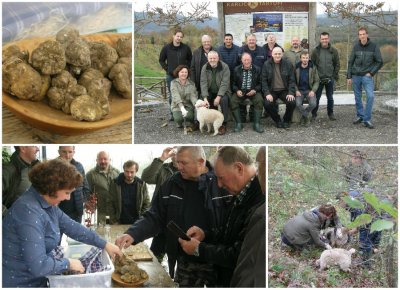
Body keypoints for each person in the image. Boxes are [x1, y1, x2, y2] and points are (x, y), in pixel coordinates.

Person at [115, 146, 231, 287]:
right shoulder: (172, 183)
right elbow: (154, 215)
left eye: (183, 163)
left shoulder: (221, 183)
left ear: (200, 162)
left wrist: (208, 236)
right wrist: (133, 234)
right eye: (177, 162)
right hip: (185, 260)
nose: (179, 166)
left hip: (217, 259)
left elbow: (231, 223)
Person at [2, 159, 123, 287]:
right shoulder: (28, 212)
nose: (68, 198)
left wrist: (105, 244)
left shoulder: (47, 204)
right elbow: (38, 265)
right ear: (51, 187)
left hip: (40, 278)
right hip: (21, 282)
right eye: (67, 192)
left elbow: (73, 227)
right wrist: (68, 263)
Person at [178, 146, 265, 287]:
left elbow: (239, 254)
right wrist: (206, 235)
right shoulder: (241, 193)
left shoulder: (259, 201)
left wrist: (199, 249)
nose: (219, 184)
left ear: (239, 168)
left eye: (221, 178)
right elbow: (230, 233)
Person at [230, 146, 266, 287]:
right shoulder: (238, 194)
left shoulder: (260, 211)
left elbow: (247, 267)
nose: (257, 171)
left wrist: (200, 249)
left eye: (259, 164)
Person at [141, 147, 179, 263]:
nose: (176, 155)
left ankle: (175, 279)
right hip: (162, 220)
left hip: (180, 224)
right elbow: (146, 177)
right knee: (155, 257)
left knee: (180, 260)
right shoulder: (163, 168)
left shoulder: (191, 171)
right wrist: (161, 159)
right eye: (175, 152)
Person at [347, 27, 383, 129]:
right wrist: (349, 76)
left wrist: (371, 73)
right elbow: (350, 62)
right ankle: (360, 116)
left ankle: (367, 119)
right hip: (356, 76)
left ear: (367, 35)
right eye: (360, 34)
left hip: (367, 76)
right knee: (357, 97)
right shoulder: (356, 47)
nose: (362, 36)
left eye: (364, 34)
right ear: (359, 36)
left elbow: (379, 61)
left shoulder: (374, 47)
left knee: (370, 96)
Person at [159, 29, 193, 120]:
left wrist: (187, 69)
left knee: (185, 94)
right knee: (172, 95)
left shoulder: (186, 48)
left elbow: (190, 59)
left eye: (181, 37)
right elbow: (161, 60)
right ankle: (173, 113)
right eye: (177, 36)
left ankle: (186, 111)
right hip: (171, 76)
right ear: (173, 36)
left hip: (184, 75)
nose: (179, 38)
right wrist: (167, 69)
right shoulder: (166, 48)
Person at [262, 47, 296, 128]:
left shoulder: (288, 64)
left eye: (279, 53)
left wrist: (291, 93)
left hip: (284, 90)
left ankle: (286, 120)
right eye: (275, 54)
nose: (277, 55)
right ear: (272, 54)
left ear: (282, 54)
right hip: (272, 90)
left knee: (292, 102)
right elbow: (263, 81)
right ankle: (277, 120)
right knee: (267, 104)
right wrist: (267, 93)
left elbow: (292, 80)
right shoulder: (266, 64)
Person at [231, 52, 264, 133]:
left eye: (248, 59)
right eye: (244, 60)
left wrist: (255, 90)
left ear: (251, 60)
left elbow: (261, 83)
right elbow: (233, 84)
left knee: (259, 100)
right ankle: (239, 123)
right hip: (241, 92)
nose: (246, 61)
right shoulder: (236, 69)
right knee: (233, 101)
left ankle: (256, 124)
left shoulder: (257, 69)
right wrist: (237, 90)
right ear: (241, 60)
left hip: (253, 91)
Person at [311, 32, 340, 121]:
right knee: (317, 97)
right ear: (320, 39)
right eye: (323, 39)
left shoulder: (334, 51)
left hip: (330, 78)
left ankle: (330, 113)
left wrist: (333, 76)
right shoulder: (316, 51)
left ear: (329, 39)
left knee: (330, 97)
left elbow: (337, 64)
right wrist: (316, 77)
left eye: (326, 38)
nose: (324, 40)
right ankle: (314, 114)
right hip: (319, 79)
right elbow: (312, 64)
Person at [200, 50, 231, 135]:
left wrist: (219, 96)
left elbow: (225, 83)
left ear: (218, 58)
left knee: (224, 100)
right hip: (210, 91)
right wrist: (205, 98)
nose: (212, 60)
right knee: (202, 100)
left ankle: (223, 124)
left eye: (214, 58)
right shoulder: (204, 67)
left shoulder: (225, 67)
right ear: (208, 59)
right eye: (210, 58)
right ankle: (205, 121)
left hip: (223, 91)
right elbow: (203, 83)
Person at [2, 146, 40, 216]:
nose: (38, 149)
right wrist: (10, 218)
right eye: (34, 146)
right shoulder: (6, 171)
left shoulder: (37, 169)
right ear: (23, 148)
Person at [109, 160, 150, 225]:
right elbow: (110, 203)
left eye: (132, 172)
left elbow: (146, 203)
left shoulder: (142, 184)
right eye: (127, 171)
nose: (129, 175)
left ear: (136, 171)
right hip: (119, 221)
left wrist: (141, 219)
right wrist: (114, 220)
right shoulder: (115, 183)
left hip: (137, 222)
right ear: (123, 170)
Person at [57, 146, 90, 224]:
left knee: (76, 234)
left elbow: (86, 187)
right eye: (64, 152)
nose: (67, 155)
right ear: (59, 152)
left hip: (76, 211)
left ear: (74, 152)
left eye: (70, 152)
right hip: (58, 210)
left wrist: (82, 200)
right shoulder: (52, 166)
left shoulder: (79, 166)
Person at [86, 151, 120, 225]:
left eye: (105, 159)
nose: (103, 161)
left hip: (115, 213)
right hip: (100, 213)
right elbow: (87, 193)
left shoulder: (117, 173)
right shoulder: (90, 175)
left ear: (109, 160)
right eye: (100, 159)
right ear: (97, 160)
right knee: (103, 233)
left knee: (115, 233)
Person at [239, 34, 267, 122]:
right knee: (241, 96)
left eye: (253, 40)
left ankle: (253, 115)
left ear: (256, 41)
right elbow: (238, 64)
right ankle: (242, 115)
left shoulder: (262, 50)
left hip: (258, 78)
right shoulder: (241, 50)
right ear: (247, 41)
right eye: (249, 40)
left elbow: (265, 64)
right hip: (244, 77)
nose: (251, 41)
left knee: (257, 96)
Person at [294, 51, 320, 126]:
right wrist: (296, 90)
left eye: (306, 58)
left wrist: (313, 90)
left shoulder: (313, 67)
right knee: (298, 103)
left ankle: (303, 116)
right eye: (303, 58)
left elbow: (317, 81)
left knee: (313, 103)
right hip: (300, 91)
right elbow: (293, 81)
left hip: (309, 90)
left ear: (309, 58)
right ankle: (306, 117)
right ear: (300, 58)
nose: (305, 59)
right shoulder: (296, 67)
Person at [170, 65, 198, 130]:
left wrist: (196, 104)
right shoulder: (173, 83)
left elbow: (193, 96)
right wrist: (182, 108)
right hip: (177, 106)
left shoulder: (191, 83)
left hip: (188, 105)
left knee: (190, 116)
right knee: (178, 119)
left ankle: (191, 121)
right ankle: (179, 122)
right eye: (182, 72)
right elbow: (175, 96)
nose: (184, 74)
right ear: (178, 73)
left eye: (186, 72)